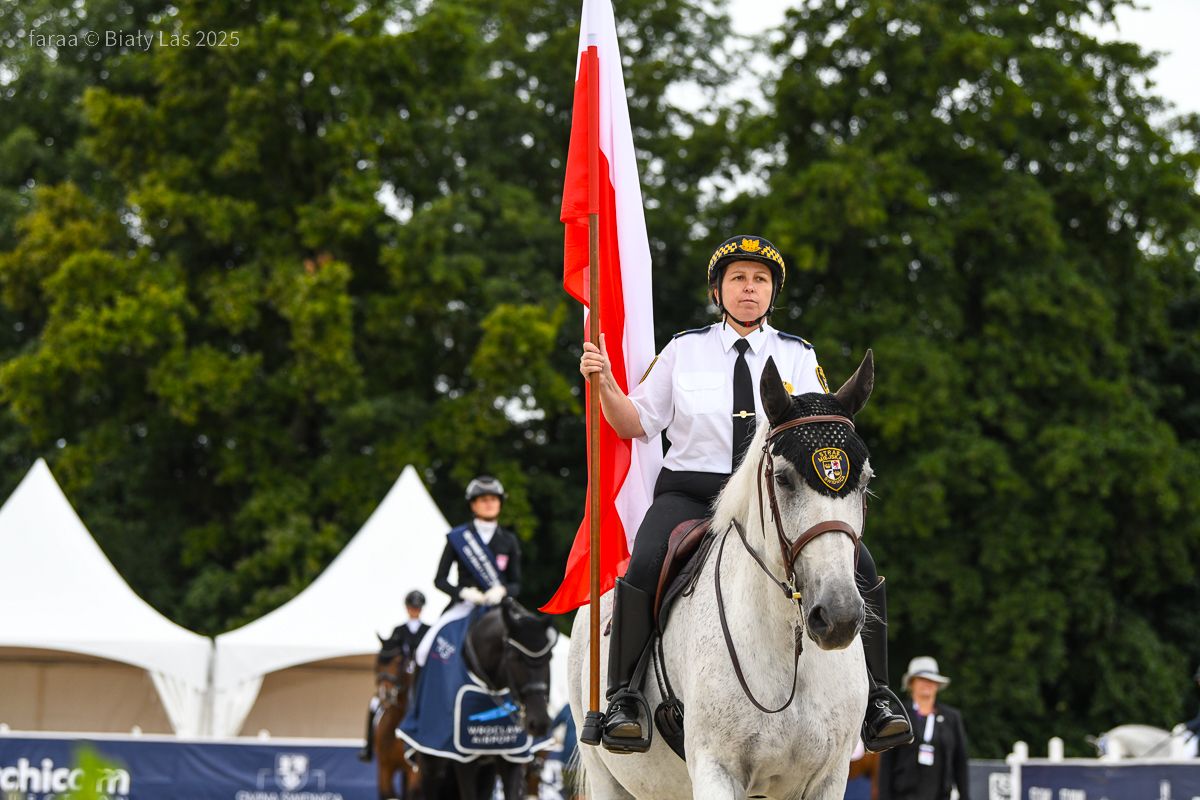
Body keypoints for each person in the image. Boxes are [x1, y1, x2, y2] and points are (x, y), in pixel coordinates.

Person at [579, 234, 912, 754]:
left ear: (772, 292)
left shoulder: (797, 355)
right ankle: (625, 698)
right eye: (738, 278)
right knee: (644, 563)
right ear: (718, 291)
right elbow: (632, 422)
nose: (749, 288)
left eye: (760, 280)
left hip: (773, 497)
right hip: (691, 493)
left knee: (861, 565)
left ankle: (878, 698)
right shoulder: (683, 350)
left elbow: (819, 431)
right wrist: (603, 384)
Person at [413, 475, 522, 667]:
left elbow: (516, 584)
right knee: (423, 651)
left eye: (494, 499)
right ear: (473, 505)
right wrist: (463, 593)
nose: (489, 504)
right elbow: (440, 580)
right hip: (464, 606)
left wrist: (502, 590)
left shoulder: (509, 540)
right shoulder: (458, 537)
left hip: (498, 605)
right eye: (484, 499)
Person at [879, 657, 970, 800]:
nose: (927, 684)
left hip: (941, 795)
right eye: (922, 679)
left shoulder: (952, 718)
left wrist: (965, 796)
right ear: (911, 683)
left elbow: (960, 762)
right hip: (902, 795)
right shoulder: (897, 714)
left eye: (932, 680)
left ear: (937, 685)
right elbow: (886, 763)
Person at [358, 589, 431, 761]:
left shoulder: (428, 630)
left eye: (417, 607)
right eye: (412, 607)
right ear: (407, 608)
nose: (414, 610)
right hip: (401, 681)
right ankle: (368, 747)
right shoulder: (398, 630)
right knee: (374, 704)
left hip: (421, 679)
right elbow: (390, 655)